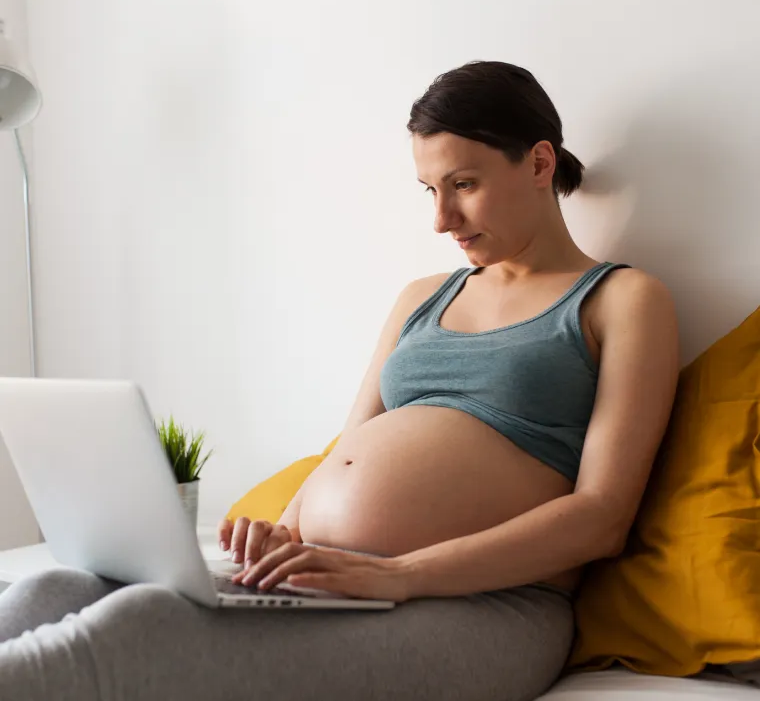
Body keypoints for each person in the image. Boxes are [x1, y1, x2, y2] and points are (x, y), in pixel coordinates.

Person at [0, 60, 680, 701]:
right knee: (51, 592)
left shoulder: (620, 300)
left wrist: (400, 574)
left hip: (490, 605)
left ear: (538, 162)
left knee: (141, 630)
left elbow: (601, 518)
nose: (441, 219)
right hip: (337, 579)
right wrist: (284, 533)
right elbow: (350, 449)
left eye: (463, 185)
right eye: (430, 191)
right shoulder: (422, 296)